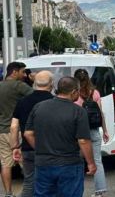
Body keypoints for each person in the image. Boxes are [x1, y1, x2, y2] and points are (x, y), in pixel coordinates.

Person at [24, 76, 96, 197]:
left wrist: (41, 149)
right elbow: (83, 140)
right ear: (74, 92)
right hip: (69, 163)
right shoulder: (78, 111)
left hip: (43, 163)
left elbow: (28, 133)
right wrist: (91, 163)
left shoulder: (39, 107)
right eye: (78, 91)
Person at [10, 71, 54, 197]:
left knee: (29, 182)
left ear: (34, 84)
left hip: (28, 148)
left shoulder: (22, 101)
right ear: (51, 84)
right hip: (50, 149)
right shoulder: (54, 102)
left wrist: (15, 147)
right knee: (49, 183)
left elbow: (14, 127)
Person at [74, 69, 109, 196]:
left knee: (76, 162)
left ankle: (77, 192)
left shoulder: (74, 95)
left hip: (77, 133)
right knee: (97, 161)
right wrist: (105, 131)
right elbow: (101, 113)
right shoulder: (95, 93)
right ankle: (100, 192)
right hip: (93, 131)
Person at [0, 61, 32, 197]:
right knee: (25, 162)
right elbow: (35, 97)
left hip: (2, 131)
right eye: (22, 72)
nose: (24, 75)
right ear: (14, 72)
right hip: (17, 130)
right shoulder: (19, 86)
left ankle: (8, 193)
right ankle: (30, 190)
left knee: (5, 163)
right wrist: (33, 80)